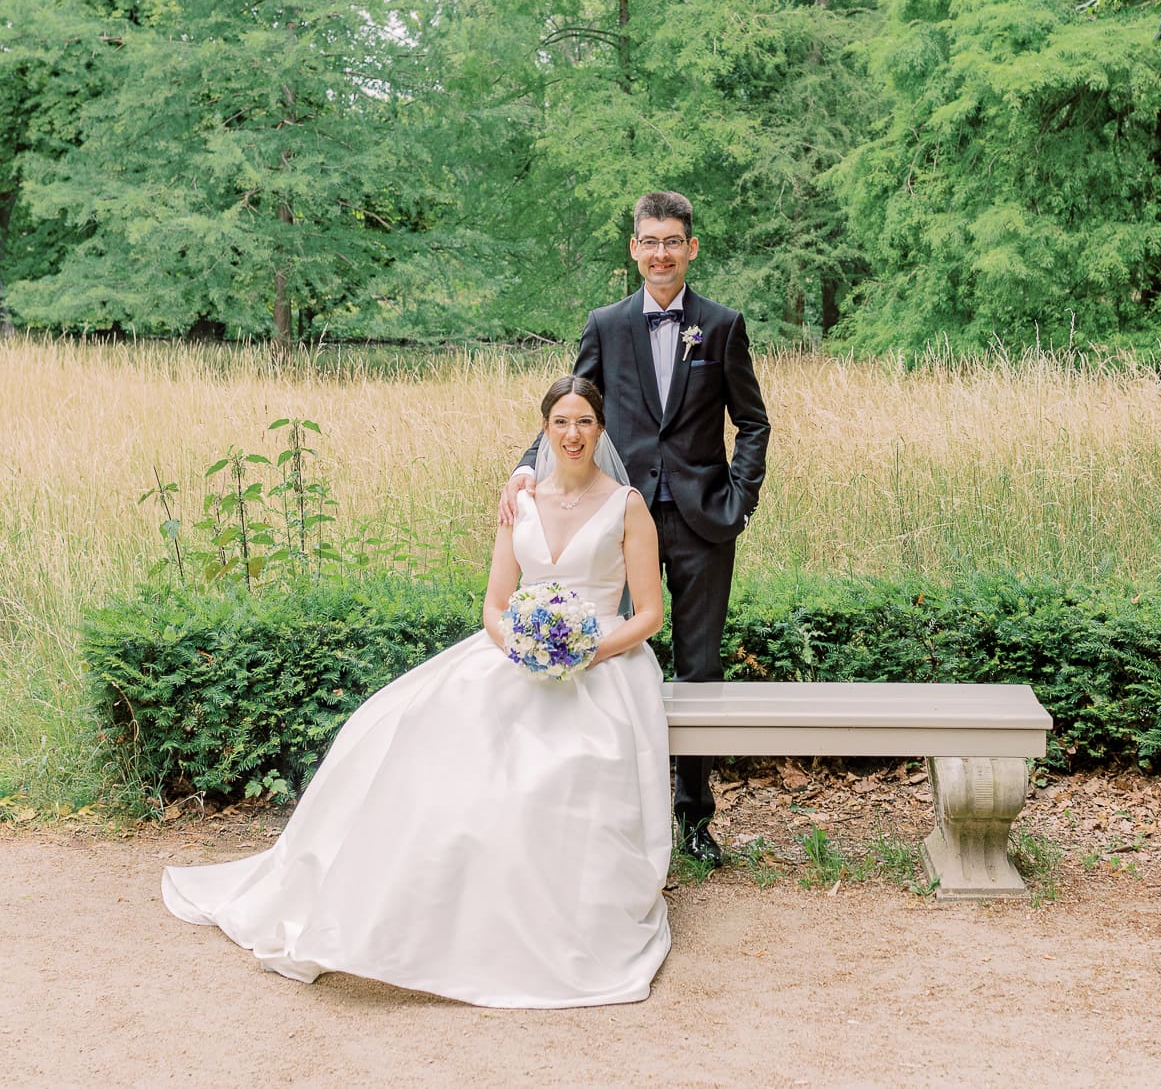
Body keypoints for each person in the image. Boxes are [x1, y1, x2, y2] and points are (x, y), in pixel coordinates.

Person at [162, 376, 671, 1009]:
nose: (573, 434)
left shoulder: (626, 506)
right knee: (410, 734)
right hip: (519, 653)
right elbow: (493, 604)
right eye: (562, 421)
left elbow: (648, 613)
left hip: (604, 664)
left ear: (601, 431)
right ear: (544, 428)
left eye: (585, 422)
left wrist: (587, 651)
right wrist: (520, 647)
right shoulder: (522, 503)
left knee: (557, 770)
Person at [500, 191, 771, 866]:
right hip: (616, 523)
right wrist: (522, 473)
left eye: (672, 241)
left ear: (691, 247)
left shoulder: (722, 325)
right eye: (648, 241)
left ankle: (695, 818)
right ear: (633, 248)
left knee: (699, 668)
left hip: (703, 519)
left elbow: (754, 422)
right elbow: (572, 408)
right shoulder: (606, 324)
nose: (660, 253)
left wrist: (738, 497)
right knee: (608, 660)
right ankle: (609, 811)